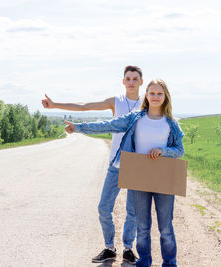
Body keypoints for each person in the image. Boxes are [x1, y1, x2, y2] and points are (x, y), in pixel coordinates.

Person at [65, 79, 184, 267]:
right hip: (139, 177)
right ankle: (143, 262)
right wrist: (79, 128)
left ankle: (170, 264)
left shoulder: (171, 123)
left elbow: (179, 150)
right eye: (152, 93)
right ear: (146, 95)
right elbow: (107, 124)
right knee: (143, 227)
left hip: (163, 177)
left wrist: (163, 150)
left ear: (165, 97)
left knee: (166, 228)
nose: (155, 97)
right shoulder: (135, 118)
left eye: (159, 94)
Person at [42, 65, 143, 264]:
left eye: (135, 79)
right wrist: (54, 105)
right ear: (123, 82)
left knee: (133, 210)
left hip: (136, 163)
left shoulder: (146, 103)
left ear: (140, 82)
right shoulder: (116, 101)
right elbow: (85, 106)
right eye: (128, 79)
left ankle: (129, 249)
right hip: (116, 162)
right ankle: (109, 247)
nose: (131, 82)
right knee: (104, 208)